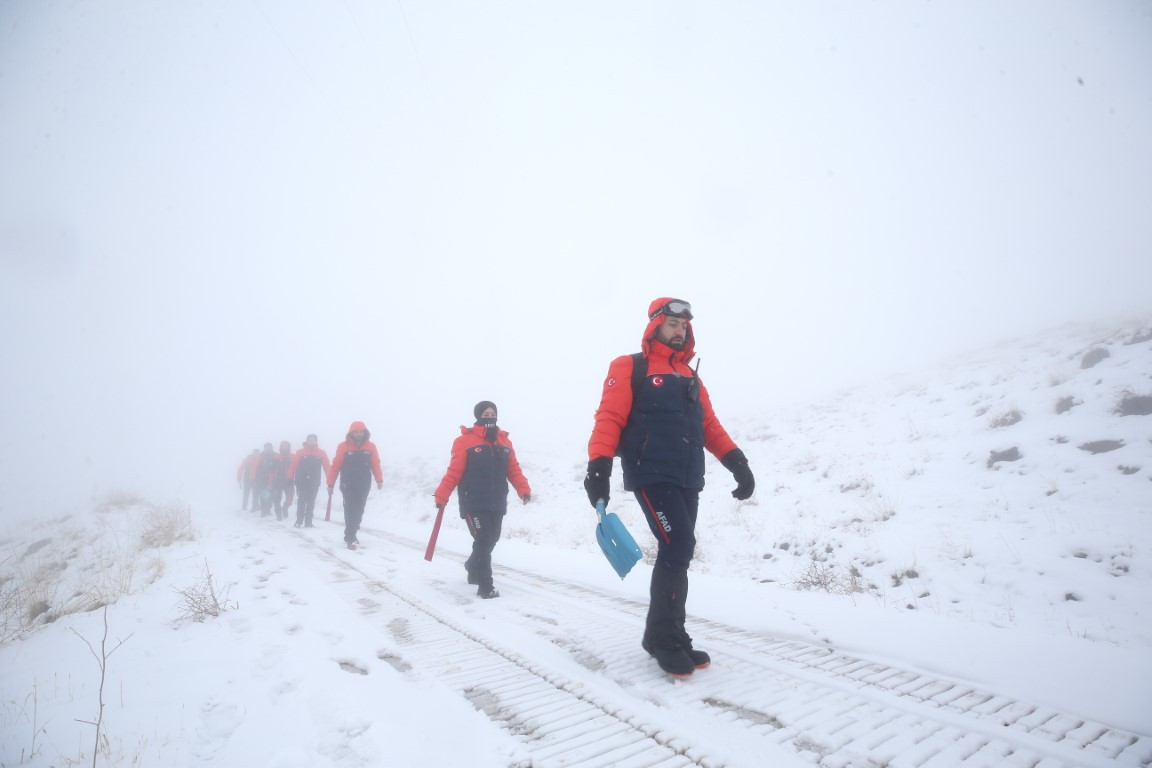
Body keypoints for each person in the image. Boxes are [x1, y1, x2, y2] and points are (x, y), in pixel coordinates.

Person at [584, 298, 755, 677]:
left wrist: (737, 462)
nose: (679, 331)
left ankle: (670, 633)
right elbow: (610, 417)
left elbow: (710, 425)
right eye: (672, 324)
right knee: (678, 546)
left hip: (687, 476)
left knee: (677, 552)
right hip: (651, 473)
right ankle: (662, 637)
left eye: (684, 326)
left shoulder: (691, 376)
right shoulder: (631, 366)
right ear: (656, 326)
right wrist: (599, 467)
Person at [434, 401, 532, 599]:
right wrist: (442, 495)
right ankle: (486, 586)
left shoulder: (504, 442)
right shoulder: (464, 442)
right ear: (478, 416)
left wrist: (523, 489)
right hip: (474, 501)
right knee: (483, 538)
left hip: (497, 500)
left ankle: (472, 566)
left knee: (491, 539)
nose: (489, 416)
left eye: (492, 413)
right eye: (485, 413)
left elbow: (513, 469)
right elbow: (454, 471)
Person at [327, 421, 383, 549]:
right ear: (351, 433)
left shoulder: (371, 447)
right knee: (350, 509)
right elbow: (335, 466)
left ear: (364, 432)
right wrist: (330, 483)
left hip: (364, 484)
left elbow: (375, 464)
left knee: (359, 510)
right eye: (356, 432)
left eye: (361, 431)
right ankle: (350, 537)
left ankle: (352, 530)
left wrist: (379, 479)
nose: (359, 434)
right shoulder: (343, 447)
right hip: (348, 484)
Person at [287, 434, 331, 528]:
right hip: (301, 481)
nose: (312, 441)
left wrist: (330, 480)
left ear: (316, 441)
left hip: (314, 481)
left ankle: (308, 522)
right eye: (310, 440)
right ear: (307, 441)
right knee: (302, 501)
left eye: (314, 440)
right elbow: (293, 467)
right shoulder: (300, 452)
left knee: (311, 501)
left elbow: (327, 467)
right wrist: (290, 478)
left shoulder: (321, 453)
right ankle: (299, 521)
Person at [252, 443, 279, 517]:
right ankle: (263, 511)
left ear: (272, 447)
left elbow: (279, 466)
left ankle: (268, 509)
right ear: (264, 448)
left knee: (272, 495)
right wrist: (254, 478)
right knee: (263, 495)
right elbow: (255, 467)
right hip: (262, 479)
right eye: (266, 447)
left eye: (270, 447)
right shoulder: (261, 456)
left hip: (274, 479)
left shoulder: (276, 455)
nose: (268, 448)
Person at [270, 440, 295, 520]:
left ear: (289, 447)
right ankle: (279, 514)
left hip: (289, 480)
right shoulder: (276, 457)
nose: (285, 448)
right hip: (278, 481)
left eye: (286, 446)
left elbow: (297, 467)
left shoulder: (293, 456)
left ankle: (285, 508)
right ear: (280, 447)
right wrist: (270, 481)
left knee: (290, 498)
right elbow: (271, 470)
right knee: (277, 498)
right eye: (283, 446)